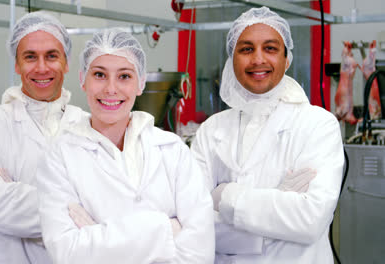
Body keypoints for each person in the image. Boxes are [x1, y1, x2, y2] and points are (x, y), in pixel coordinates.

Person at [36, 29, 215, 264]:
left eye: (124, 76)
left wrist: (98, 236)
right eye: (99, 74)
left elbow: (200, 254)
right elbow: (69, 252)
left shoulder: (173, 150)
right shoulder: (60, 157)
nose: (111, 89)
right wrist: (164, 229)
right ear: (83, 80)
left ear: (140, 83)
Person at [191, 7, 344, 264]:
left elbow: (309, 220)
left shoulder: (318, 124)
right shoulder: (211, 130)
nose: (258, 59)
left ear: (286, 59)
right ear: (233, 59)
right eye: (246, 49)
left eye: (270, 48)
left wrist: (225, 195)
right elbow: (193, 222)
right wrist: (275, 215)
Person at [0, 11, 86, 263]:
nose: (41, 68)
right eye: (30, 57)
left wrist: (15, 192)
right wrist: (77, 209)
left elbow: (109, 204)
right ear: (17, 64)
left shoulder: (88, 126)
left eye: (52, 56)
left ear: (66, 62)